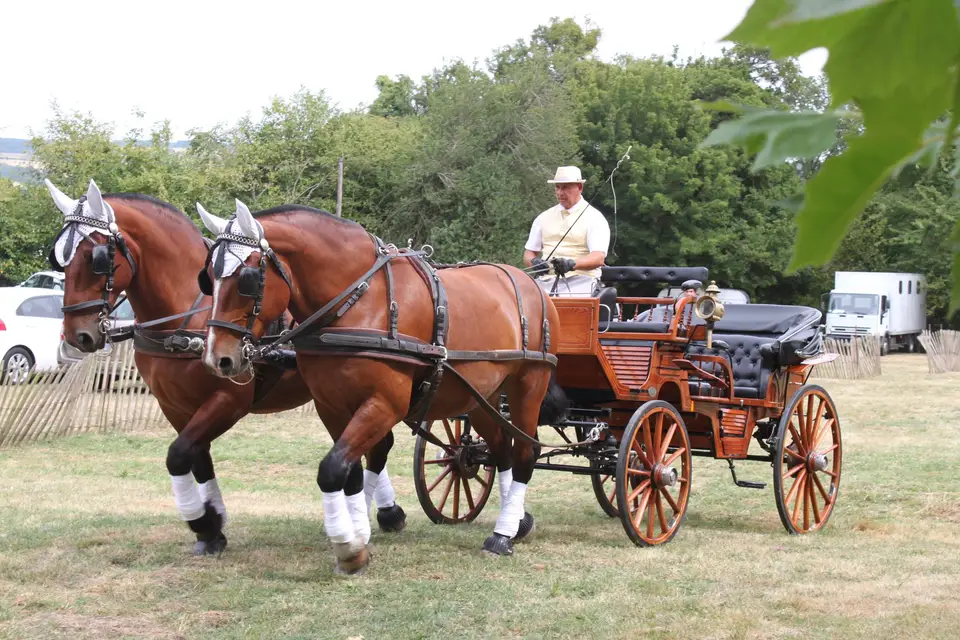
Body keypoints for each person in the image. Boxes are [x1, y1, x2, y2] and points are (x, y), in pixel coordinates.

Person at [523, 166, 611, 297]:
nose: (560, 193)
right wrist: (534, 262)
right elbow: (529, 253)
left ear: (580, 187)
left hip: (581, 281)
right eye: (557, 187)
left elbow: (598, 258)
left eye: (565, 187)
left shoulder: (595, 218)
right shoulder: (543, 218)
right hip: (544, 282)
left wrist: (572, 264)